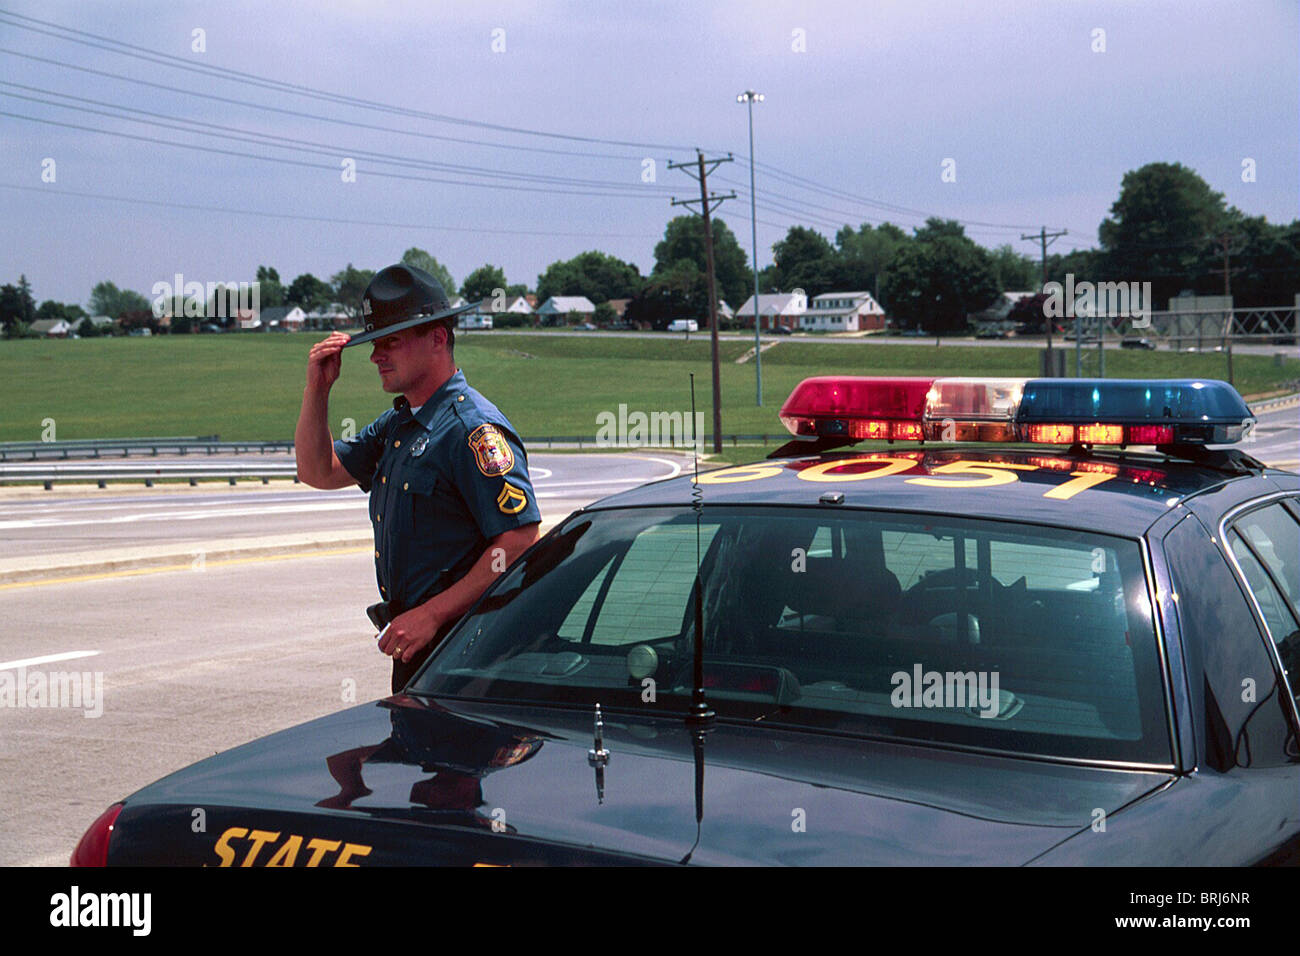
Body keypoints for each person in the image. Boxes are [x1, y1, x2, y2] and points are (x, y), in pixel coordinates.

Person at [295, 263, 542, 692]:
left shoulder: (472, 429)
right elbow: (316, 470)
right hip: (422, 650)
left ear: (437, 338)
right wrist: (317, 390)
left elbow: (518, 542)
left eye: (390, 342)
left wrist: (431, 614)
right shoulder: (400, 426)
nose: (375, 356)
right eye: (374, 344)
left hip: (470, 656)